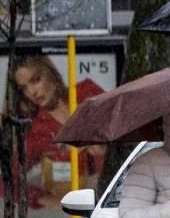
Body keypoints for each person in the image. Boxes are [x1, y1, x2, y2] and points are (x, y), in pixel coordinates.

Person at [12, 54, 104, 208]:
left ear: (49, 72)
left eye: (35, 80)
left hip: (119, 192)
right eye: (24, 88)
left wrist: (106, 147)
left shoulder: (87, 91)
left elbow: (126, 130)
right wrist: (41, 199)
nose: (32, 92)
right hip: (80, 208)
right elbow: (6, 180)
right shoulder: (36, 131)